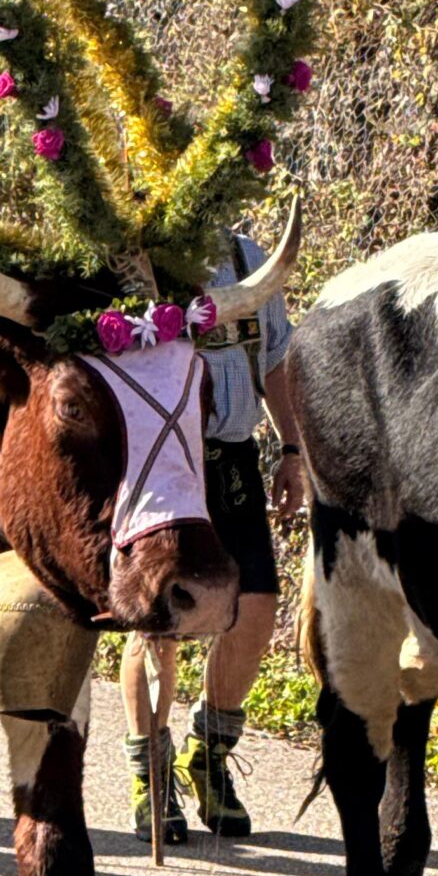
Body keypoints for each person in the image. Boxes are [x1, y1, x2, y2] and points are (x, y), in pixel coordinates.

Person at [120, 226, 306, 841]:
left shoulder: (248, 258)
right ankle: (151, 775)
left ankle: (209, 754)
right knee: (159, 620)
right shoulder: (138, 259)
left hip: (232, 459)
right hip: (164, 460)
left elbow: (274, 358)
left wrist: (292, 450)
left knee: (255, 608)